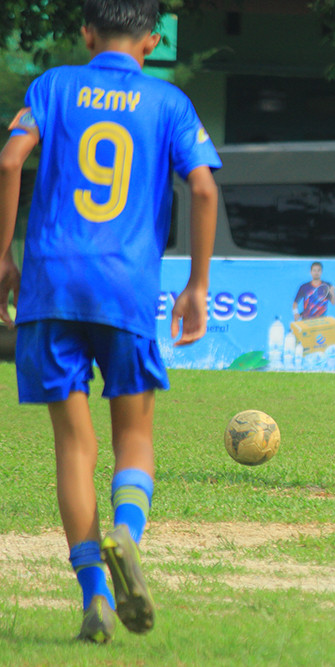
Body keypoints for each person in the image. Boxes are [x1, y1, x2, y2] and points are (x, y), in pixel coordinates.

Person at [0, 0, 220, 643]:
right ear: (152, 41)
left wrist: (3, 256)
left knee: (74, 445)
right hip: (125, 287)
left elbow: (11, 161)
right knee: (135, 436)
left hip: (51, 282)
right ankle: (128, 528)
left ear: (87, 34)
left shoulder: (53, 86)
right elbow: (204, 189)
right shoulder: (169, 102)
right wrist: (198, 286)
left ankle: (94, 594)